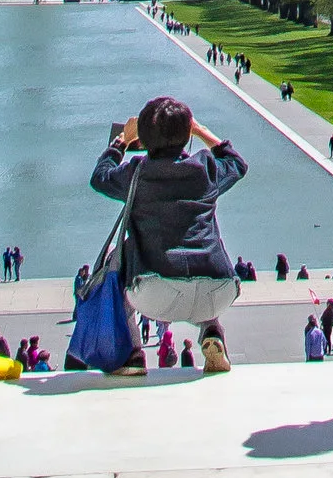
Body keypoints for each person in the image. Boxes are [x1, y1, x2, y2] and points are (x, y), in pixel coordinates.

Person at [91, 97, 245, 378]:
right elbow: (236, 163)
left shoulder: (135, 173)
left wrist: (121, 142)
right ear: (186, 135)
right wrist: (199, 131)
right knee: (202, 247)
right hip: (218, 291)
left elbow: (99, 177)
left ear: (145, 139)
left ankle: (134, 354)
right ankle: (212, 331)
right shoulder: (205, 169)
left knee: (118, 261)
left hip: (155, 294)